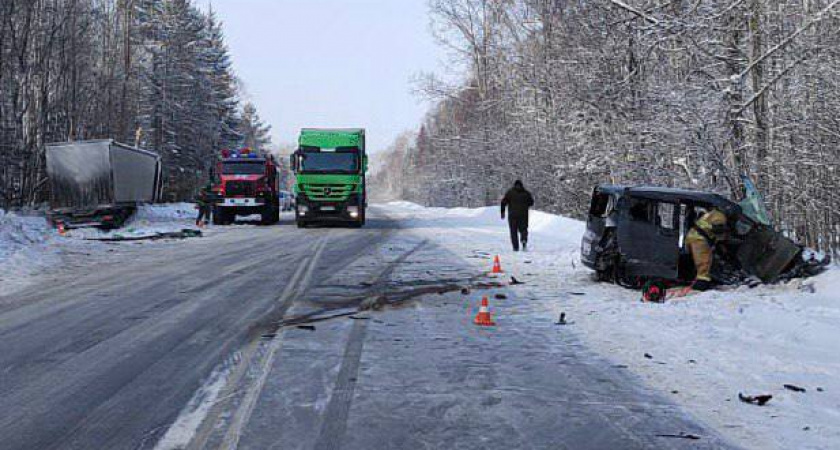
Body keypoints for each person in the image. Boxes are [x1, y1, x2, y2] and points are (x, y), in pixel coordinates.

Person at [685, 204, 739, 291]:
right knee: (704, 264)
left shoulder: (714, 213)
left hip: (694, 236)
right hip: (699, 239)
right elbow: (717, 230)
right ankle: (700, 285)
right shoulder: (721, 217)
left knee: (703, 261)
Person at [501, 180, 535, 252]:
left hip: (512, 215)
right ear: (522, 185)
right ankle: (524, 240)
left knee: (513, 231)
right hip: (523, 215)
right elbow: (531, 202)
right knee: (523, 229)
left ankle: (515, 247)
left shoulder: (510, 192)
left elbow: (503, 202)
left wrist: (502, 212)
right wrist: (525, 205)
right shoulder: (526, 193)